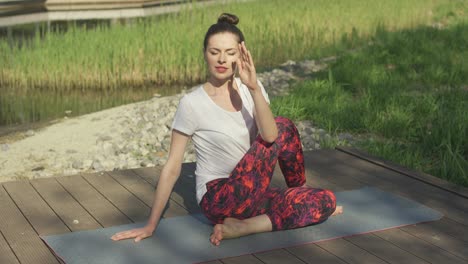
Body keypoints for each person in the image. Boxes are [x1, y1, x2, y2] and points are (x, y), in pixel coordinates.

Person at [111, 13, 342, 246]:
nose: (222, 59)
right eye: (214, 52)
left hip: (253, 192)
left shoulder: (252, 88)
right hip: (219, 197)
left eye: (230, 53)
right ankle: (249, 218)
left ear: (241, 55)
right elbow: (172, 167)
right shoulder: (192, 103)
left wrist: (253, 88)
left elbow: (270, 135)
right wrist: (151, 225)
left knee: (326, 200)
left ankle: (250, 223)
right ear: (205, 54)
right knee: (281, 125)